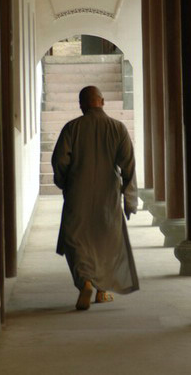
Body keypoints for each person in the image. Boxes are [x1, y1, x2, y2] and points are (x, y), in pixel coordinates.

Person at [52, 85, 139, 310]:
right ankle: (102, 291)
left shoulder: (72, 128)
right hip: (108, 196)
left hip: (77, 194)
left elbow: (60, 160)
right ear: (102, 102)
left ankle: (85, 282)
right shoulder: (117, 128)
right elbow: (128, 166)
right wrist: (130, 199)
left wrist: (65, 182)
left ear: (81, 105)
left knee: (76, 240)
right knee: (105, 241)